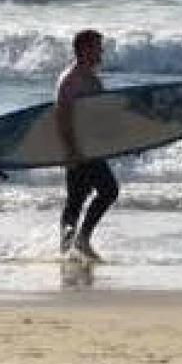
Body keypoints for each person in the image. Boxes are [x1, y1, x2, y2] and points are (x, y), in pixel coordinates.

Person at [55, 29, 119, 261]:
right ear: (84, 49)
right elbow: (62, 117)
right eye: (97, 48)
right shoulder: (71, 80)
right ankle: (81, 241)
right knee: (109, 191)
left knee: (76, 199)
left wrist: (129, 142)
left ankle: (67, 249)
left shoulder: (90, 78)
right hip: (79, 150)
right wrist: (72, 150)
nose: (101, 53)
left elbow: (98, 118)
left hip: (89, 148)